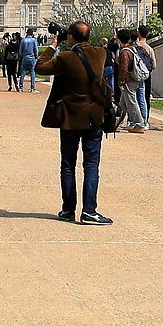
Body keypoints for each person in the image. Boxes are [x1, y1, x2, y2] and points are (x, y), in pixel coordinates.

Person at [39, 21, 114, 224]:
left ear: (70, 37)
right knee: (91, 165)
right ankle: (89, 210)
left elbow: (40, 67)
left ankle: (68, 209)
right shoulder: (100, 53)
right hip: (94, 118)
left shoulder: (65, 58)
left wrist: (54, 45)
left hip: (70, 118)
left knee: (68, 164)